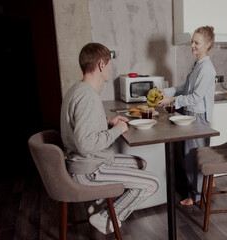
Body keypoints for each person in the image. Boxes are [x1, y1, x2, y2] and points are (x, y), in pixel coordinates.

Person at [60, 42, 160, 234]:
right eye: (109, 64)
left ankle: (100, 205)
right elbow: (85, 144)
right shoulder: (88, 96)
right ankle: (104, 216)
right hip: (88, 169)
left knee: (140, 162)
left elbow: (82, 125)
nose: (110, 69)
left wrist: (109, 121)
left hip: (84, 162)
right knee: (152, 183)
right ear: (101, 65)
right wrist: (117, 130)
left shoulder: (78, 90)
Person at [157, 26, 216, 206]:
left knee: (194, 157)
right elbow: (185, 87)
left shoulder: (207, 68)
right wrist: (165, 92)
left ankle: (196, 195)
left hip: (198, 116)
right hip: (191, 113)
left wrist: (171, 100)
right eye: (192, 41)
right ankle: (203, 184)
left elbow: (196, 97)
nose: (192, 45)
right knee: (190, 156)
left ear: (207, 45)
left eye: (196, 43)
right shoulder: (196, 64)